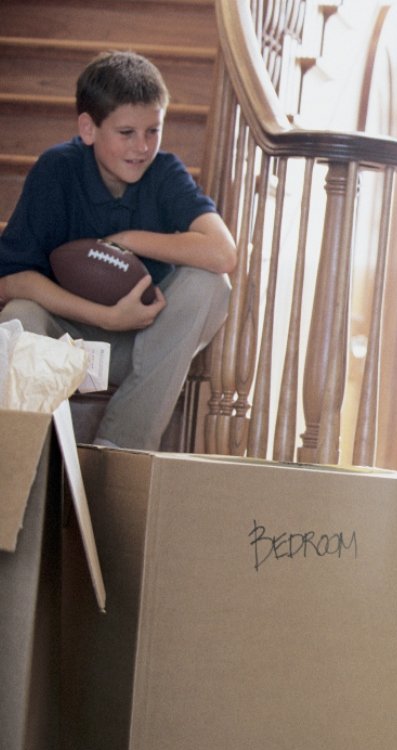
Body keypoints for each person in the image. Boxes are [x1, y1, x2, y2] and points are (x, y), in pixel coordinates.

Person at [0, 50, 235, 450]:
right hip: (68, 338)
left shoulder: (165, 173)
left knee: (211, 284)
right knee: (19, 317)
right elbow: (11, 280)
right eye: (126, 133)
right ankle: (20, 461)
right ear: (89, 129)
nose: (142, 147)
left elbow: (223, 253)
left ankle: (119, 447)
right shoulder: (57, 170)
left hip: (140, 347)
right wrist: (106, 317)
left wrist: (127, 240)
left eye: (153, 131)